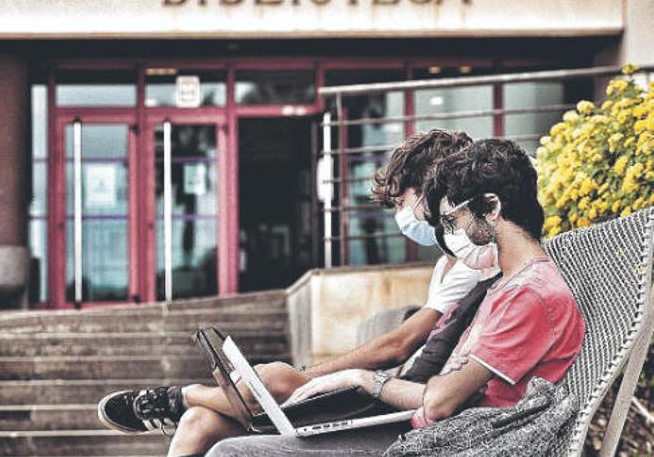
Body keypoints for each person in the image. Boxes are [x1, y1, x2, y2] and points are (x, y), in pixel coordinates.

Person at [97, 130, 488, 456]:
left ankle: (183, 395)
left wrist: (309, 376)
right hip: (389, 390)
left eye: (403, 201)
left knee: (274, 381)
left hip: (392, 409)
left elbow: (398, 345)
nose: (401, 215)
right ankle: (187, 402)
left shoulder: (475, 260)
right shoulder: (447, 264)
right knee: (201, 421)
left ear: (435, 190)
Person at [205, 138, 585, 456]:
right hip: (423, 432)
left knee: (232, 452)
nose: (450, 234)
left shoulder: (530, 294)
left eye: (453, 220)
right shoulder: (511, 285)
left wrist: (366, 381)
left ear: (491, 207)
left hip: (450, 443)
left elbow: (441, 402)